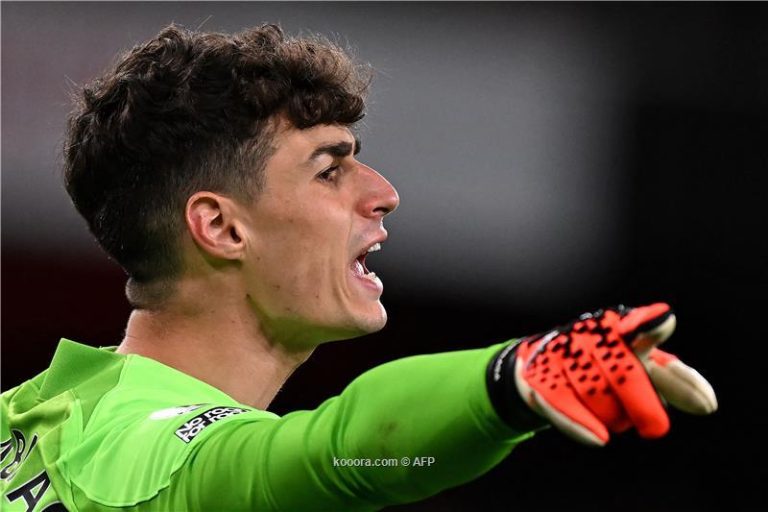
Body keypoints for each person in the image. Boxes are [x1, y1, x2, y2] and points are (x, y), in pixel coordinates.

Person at [0, 24, 717, 511]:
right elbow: (339, 453)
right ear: (220, 227)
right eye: (328, 170)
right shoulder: (139, 455)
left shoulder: (36, 420)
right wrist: (512, 379)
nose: (383, 193)